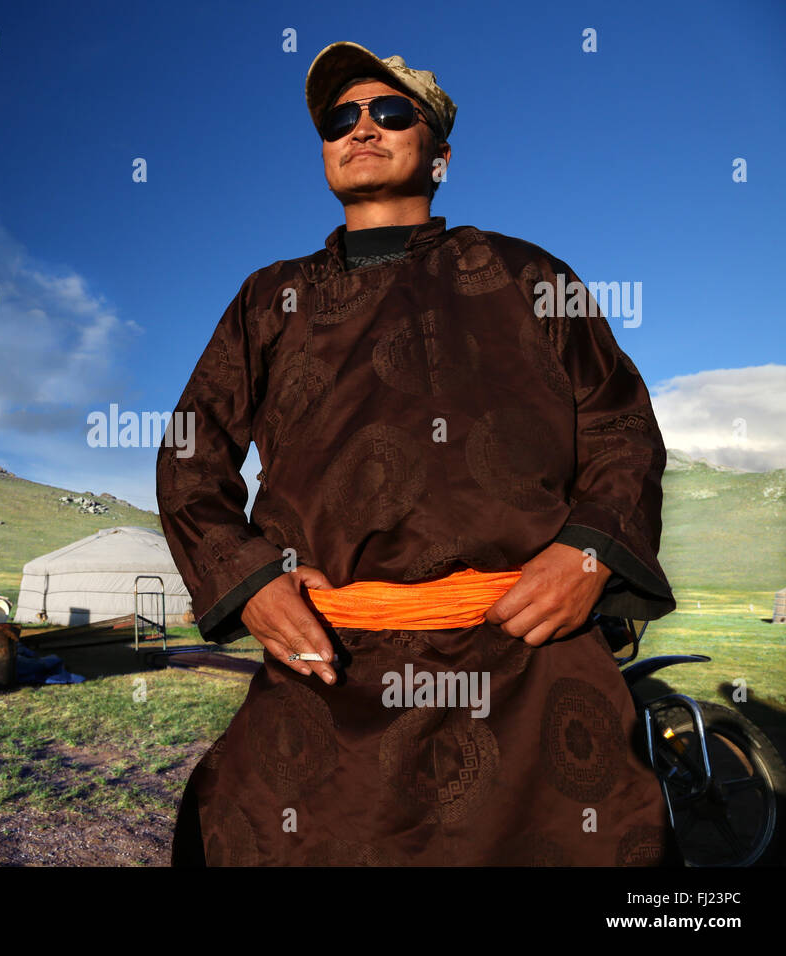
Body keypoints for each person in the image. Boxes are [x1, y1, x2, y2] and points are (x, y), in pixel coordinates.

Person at [155, 41, 682, 866]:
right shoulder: (271, 298)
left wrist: (588, 553)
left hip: (526, 660)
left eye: (391, 112)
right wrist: (249, 582)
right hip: (330, 662)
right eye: (340, 118)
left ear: (439, 157)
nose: (361, 126)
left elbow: (621, 429)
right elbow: (191, 456)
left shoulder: (525, 275)